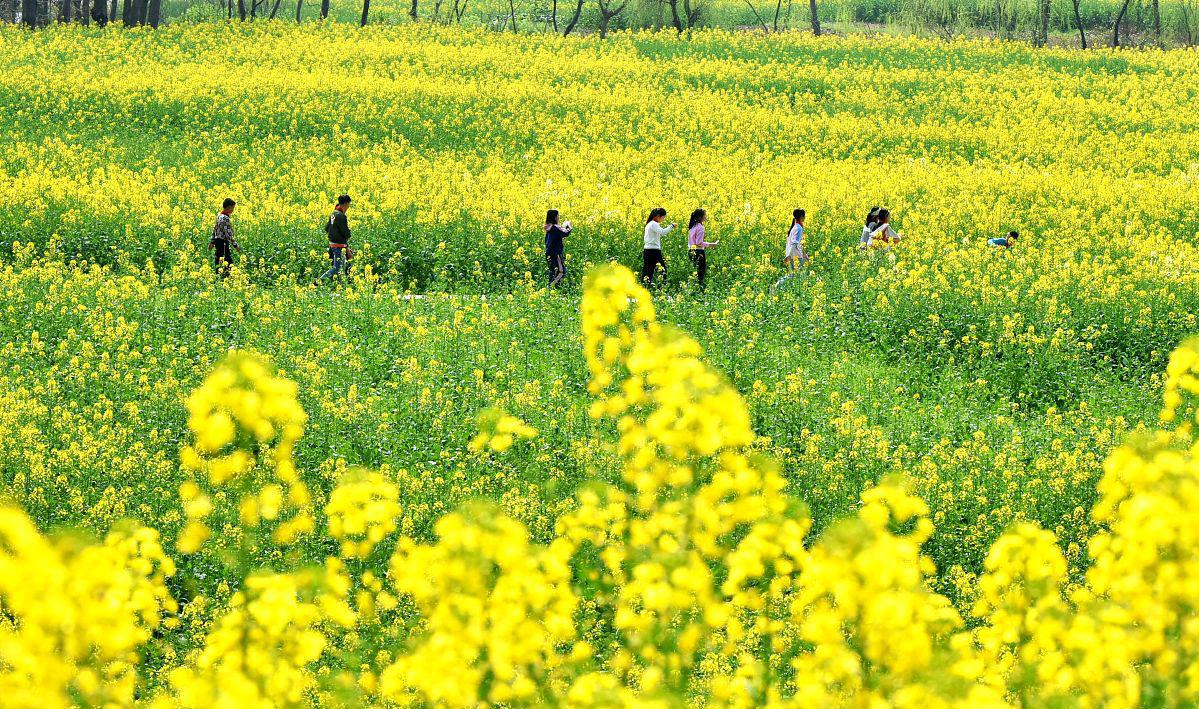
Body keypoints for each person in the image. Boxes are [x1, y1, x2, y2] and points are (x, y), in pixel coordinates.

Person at [318, 194, 353, 282]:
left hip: (332, 244)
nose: (349, 206)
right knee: (337, 268)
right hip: (339, 245)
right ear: (346, 203)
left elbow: (327, 227)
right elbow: (346, 233)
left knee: (343, 265)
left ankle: (343, 284)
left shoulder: (334, 213)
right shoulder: (341, 216)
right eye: (348, 204)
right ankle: (318, 282)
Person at [642, 207, 675, 288]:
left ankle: (645, 288)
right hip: (654, 251)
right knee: (662, 270)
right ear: (658, 216)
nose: (663, 219)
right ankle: (661, 289)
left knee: (647, 270)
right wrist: (672, 226)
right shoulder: (654, 224)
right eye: (663, 217)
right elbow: (663, 232)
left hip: (647, 250)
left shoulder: (649, 224)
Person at [208, 198, 240, 278]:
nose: (233, 210)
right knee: (228, 259)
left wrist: (212, 241)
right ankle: (228, 277)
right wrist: (235, 245)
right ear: (228, 207)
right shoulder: (225, 218)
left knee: (219, 258)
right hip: (223, 242)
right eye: (233, 208)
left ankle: (219, 275)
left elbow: (215, 229)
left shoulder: (219, 215)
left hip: (217, 241)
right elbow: (228, 234)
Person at [687, 208, 718, 288]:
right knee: (700, 273)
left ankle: (692, 288)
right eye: (705, 215)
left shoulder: (692, 226)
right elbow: (699, 243)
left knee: (693, 271)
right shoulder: (700, 227)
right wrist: (712, 244)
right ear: (700, 217)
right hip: (698, 252)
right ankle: (699, 289)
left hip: (690, 251)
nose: (706, 216)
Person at [545, 209, 571, 288]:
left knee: (553, 271)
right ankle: (550, 287)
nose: (559, 217)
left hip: (549, 253)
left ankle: (554, 288)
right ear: (555, 217)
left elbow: (559, 232)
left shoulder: (549, 227)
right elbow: (566, 233)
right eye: (558, 215)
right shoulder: (555, 228)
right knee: (561, 272)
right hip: (556, 253)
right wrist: (569, 225)